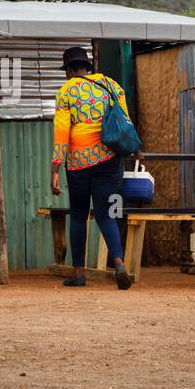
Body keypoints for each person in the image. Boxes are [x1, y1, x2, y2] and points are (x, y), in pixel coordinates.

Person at [50, 46, 140, 290]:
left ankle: (79, 273)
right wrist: (135, 147)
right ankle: (120, 265)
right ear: (88, 67)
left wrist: (55, 169)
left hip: (79, 162)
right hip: (109, 158)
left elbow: (61, 133)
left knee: (79, 215)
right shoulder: (111, 85)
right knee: (107, 214)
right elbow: (125, 120)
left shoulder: (66, 91)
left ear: (69, 70)